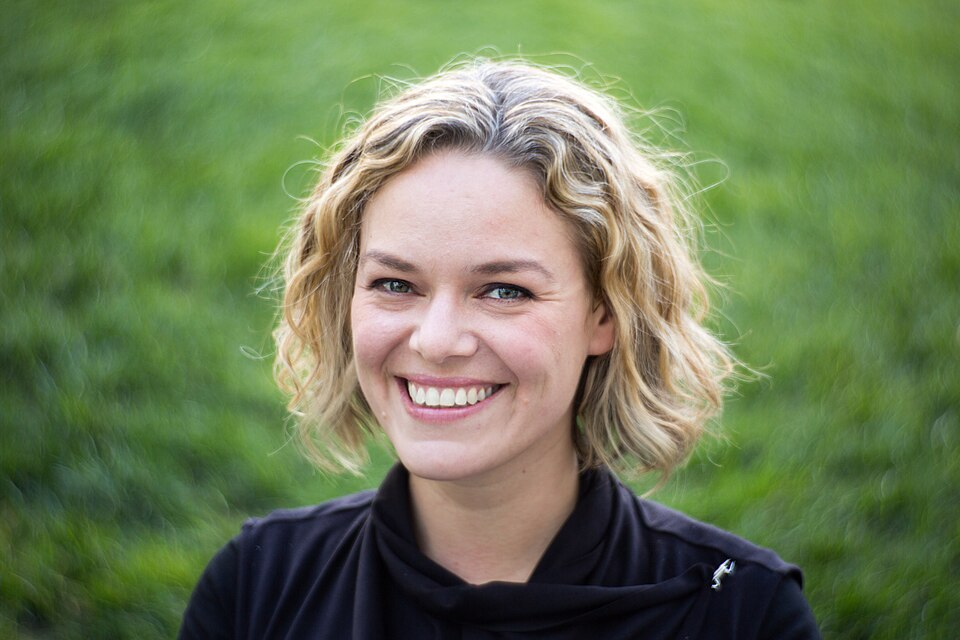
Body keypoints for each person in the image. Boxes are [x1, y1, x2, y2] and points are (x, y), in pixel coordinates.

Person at [179, 59, 820, 639]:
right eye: (395, 283)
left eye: (504, 291)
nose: (435, 340)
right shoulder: (256, 588)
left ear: (606, 313)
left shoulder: (743, 613)